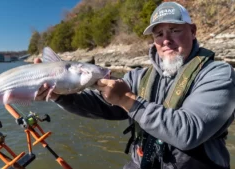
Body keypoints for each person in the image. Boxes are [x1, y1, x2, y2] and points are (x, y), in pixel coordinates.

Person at [35, 1, 235, 169]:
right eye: (159, 34)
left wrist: (126, 99)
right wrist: (59, 95)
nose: (166, 40)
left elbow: (189, 132)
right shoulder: (139, 77)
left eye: (174, 30)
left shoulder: (218, 74)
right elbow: (103, 105)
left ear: (192, 31)